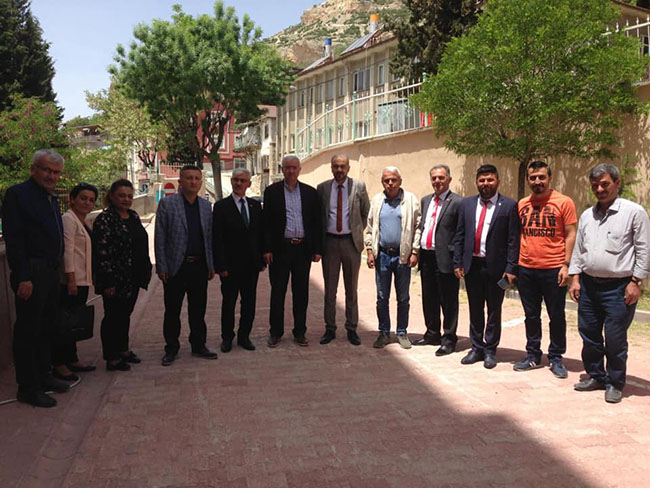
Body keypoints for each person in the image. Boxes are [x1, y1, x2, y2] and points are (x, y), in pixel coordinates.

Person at [569, 163, 649, 403]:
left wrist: (636, 281)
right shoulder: (587, 215)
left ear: (617, 183)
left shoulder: (634, 212)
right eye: (595, 185)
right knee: (589, 335)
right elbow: (579, 250)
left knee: (615, 338)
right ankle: (596, 376)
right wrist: (575, 278)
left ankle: (615, 382)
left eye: (604, 184)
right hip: (589, 286)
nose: (600, 189)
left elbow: (644, 250)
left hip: (619, 287)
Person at [2, 149, 70, 407]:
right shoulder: (18, 195)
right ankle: (28, 388)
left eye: (56, 172)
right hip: (31, 272)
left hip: (50, 272)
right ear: (33, 169)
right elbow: (15, 239)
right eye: (46, 170)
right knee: (28, 331)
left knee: (46, 327)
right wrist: (23, 276)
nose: (51, 176)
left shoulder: (50, 197)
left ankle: (44, 376)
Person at [514, 161, 577, 379]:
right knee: (531, 315)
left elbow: (571, 234)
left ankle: (556, 357)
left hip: (554, 269)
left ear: (550, 178)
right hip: (526, 269)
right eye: (533, 178)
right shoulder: (522, 204)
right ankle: (532, 354)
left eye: (541, 177)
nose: (537, 181)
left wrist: (566, 265)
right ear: (528, 180)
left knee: (556, 315)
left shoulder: (564, 202)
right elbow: (519, 234)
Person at [454, 164, 520, 369]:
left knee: (493, 310)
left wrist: (511, 268)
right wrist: (458, 262)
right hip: (472, 265)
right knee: (475, 308)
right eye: (482, 180)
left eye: (490, 180)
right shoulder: (466, 204)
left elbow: (513, 240)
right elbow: (459, 235)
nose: (485, 184)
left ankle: (490, 349)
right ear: (477, 182)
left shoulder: (508, 206)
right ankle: (476, 348)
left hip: (496, 268)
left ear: (497, 181)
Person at [155, 165, 218, 366]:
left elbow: (209, 237)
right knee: (172, 310)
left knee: (198, 310)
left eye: (196, 178)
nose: (193, 181)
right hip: (176, 266)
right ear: (181, 181)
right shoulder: (167, 204)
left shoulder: (205, 206)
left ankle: (198, 345)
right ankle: (171, 348)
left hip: (199, 266)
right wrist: (161, 266)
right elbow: (160, 237)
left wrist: (211, 264)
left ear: (201, 182)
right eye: (189, 178)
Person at [262, 155, 322, 347]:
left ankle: (300, 332)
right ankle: (276, 332)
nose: (291, 171)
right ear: (282, 170)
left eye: (294, 167)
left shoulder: (310, 193)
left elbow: (317, 222)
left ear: (299, 170)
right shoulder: (272, 192)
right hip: (280, 250)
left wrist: (317, 249)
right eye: (287, 167)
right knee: (278, 292)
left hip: (302, 250)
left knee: (301, 292)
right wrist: (267, 249)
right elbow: (266, 223)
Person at [93, 179, 152, 371]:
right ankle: (111, 357)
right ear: (112, 196)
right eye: (121, 196)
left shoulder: (133, 216)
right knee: (113, 317)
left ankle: (123, 349)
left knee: (125, 314)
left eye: (129, 196)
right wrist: (108, 281)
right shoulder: (105, 219)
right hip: (115, 278)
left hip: (133, 276)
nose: (126, 199)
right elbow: (101, 252)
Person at [364, 166, 421, 349]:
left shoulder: (410, 200)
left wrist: (414, 251)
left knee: (403, 297)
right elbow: (370, 228)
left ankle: (402, 332)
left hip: (402, 256)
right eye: (386, 180)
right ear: (382, 182)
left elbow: (418, 227)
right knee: (382, 297)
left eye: (393, 180)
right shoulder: (377, 200)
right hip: (382, 256)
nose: (390, 183)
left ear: (400, 181)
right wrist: (370, 251)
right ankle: (384, 333)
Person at [316, 154, 370, 346]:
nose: (339, 170)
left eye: (342, 166)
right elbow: (319, 216)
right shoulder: (322, 188)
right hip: (330, 244)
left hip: (350, 244)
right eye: (335, 166)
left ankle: (352, 328)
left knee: (351, 289)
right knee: (330, 290)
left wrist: (355, 230)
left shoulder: (358, 186)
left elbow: (365, 213)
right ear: (331, 168)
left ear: (348, 168)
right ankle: (330, 328)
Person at [213, 168, 265, 352]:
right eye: (236, 179)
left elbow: (260, 234)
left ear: (249, 184)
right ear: (231, 181)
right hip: (230, 266)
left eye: (243, 180)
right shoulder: (221, 207)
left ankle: (244, 336)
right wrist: (220, 265)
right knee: (229, 303)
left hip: (251, 265)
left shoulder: (255, 206)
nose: (239, 183)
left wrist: (261, 259)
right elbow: (217, 238)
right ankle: (227, 338)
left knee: (249, 303)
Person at [414, 164, 463, 356]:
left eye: (441, 178)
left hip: (446, 259)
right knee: (429, 298)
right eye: (434, 178)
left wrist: (458, 261)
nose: (437, 181)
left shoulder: (457, 202)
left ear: (449, 179)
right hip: (427, 257)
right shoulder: (426, 200)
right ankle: (432, 333)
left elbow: (460, 233)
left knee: (448, 301)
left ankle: (449, 339)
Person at [52, 183, 99, 382]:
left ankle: (72, 359)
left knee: (74, 321)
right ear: (72, 199)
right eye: (83, 198)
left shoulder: (82, 221)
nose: (87, 203)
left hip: (81, 280)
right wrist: (70, 279)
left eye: (91, 200)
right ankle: (59, 364)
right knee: (64, 323)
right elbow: (68, 251)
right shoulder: (68, 220)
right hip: (71, 282)